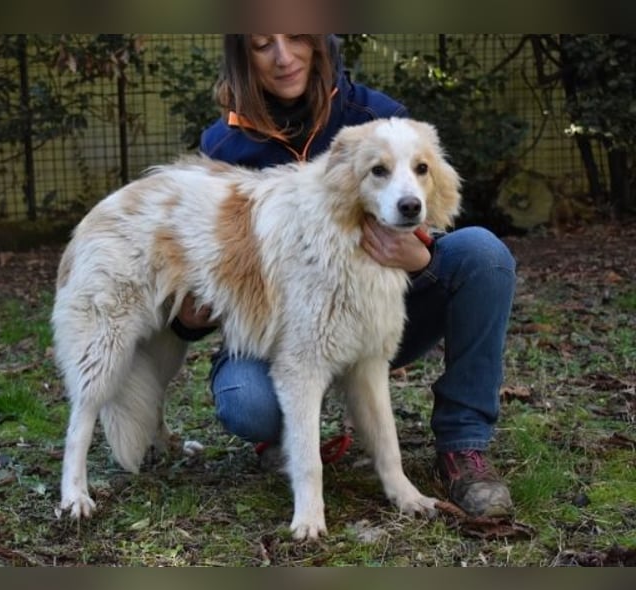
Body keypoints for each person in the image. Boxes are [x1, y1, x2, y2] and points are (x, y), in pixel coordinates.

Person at [171, 34, 516, 518]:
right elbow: (197, 270)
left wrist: (423, 259)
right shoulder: (223, 143)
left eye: (296, 37)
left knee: (485, 254)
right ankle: (290, 438)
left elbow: (423, 202)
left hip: (384, 303)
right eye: (262, 43)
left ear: (319, 43)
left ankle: (463, 444)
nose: (283, 55)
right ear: (242, 57)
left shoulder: (372, 115)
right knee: (246, 403)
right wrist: (190, 318)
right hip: (277, 329)